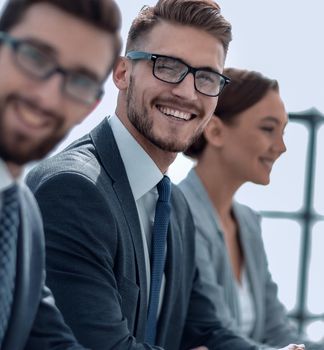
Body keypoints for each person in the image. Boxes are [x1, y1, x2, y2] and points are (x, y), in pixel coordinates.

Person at [26, 1, 304, 350]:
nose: (187, 93)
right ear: (123, 73)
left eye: (206, 77)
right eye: (168, 67)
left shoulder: (174, 207)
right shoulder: (73, 189)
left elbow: (206, 331)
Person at [0, 0, 121, 348]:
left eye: (80, 81)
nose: (48, 96)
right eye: (36, 58)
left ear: (90, 107)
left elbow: (48, 340)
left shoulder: (21, 213)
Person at [180, 68, 321, 349]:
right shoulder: (179, 213)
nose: (281, 147)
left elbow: (277, 328)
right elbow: (214, 333)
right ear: (216, 130)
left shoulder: (247, 222)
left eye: (283, 132)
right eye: (268, 129)